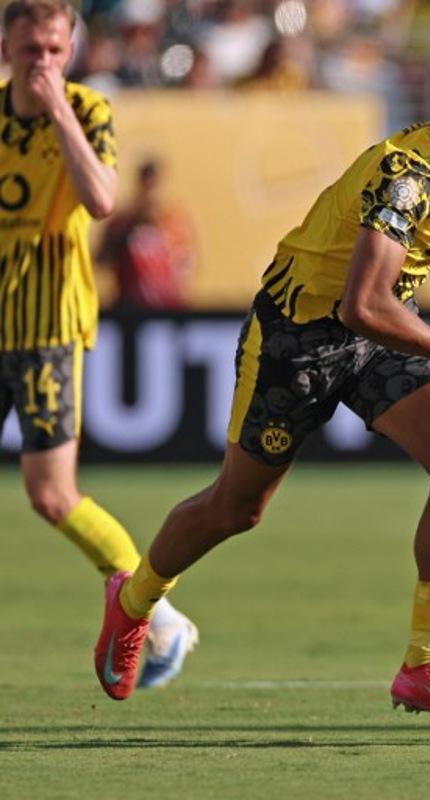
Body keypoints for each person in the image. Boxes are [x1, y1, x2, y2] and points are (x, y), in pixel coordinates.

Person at [92, 54, 430, 720]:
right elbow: (363, 303)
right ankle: (133, 602)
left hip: (374, 334)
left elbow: (376, 309)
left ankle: (423, 664)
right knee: (236, 509)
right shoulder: (406, 180)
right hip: (296, 338)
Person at [0, 0, 198, 689]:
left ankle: (155, 612)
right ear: (6, 46)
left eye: (54, 50)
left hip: (45, 327)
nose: (43, 64)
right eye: (30, 51)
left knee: (52, 495)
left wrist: (55, 109)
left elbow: (103, 197)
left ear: (71, 47)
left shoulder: (86, 110)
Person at [96, 158, 196, 310]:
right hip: (130, 310)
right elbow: (101, 260)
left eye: (154, 185)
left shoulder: (174, 223)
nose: (150, 193)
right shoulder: (122, 223)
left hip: (167, 308)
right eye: (146, 185)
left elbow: (187, 265)